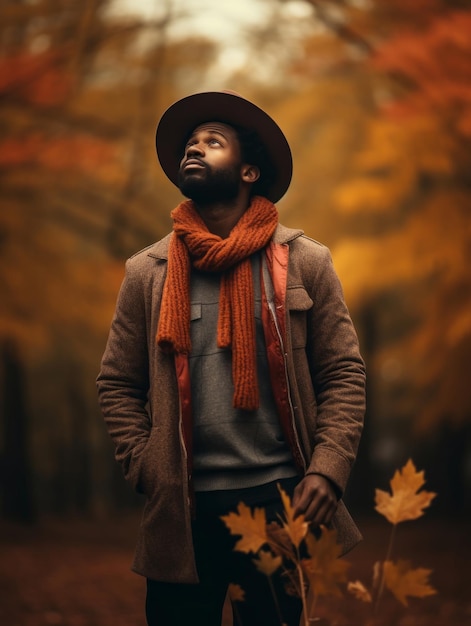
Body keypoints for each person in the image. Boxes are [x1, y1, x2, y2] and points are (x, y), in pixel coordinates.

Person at [97, 90, 366, 626]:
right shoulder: (147, 273)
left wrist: (328, 468)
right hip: (183, 510)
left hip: (279, 501)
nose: (193, 150)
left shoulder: (306, 261)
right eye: (189, 145)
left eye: (211, 142)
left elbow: (342, 372)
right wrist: (148, 466)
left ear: (248, 172)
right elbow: (117, 384)